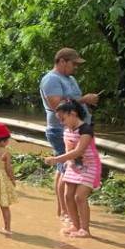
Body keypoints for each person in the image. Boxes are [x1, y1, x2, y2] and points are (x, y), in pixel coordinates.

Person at [39, 47, 99, 223]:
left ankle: (64, 210)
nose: (75, 67)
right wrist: (84, 99)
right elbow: (57, 105)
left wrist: (87, 103)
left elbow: (74, 102)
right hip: (61, 129)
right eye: (73, 63)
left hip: (77, 129)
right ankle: (66, 211)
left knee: (65, 168)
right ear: (62, 61)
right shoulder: (51, 79)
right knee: (67, 168)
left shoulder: (70, 79)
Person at [44, 100, 102, 238]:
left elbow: (78, 151)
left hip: (89, 166)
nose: (61, 123)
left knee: (79, 197)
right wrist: (67, 162)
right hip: (73, 165)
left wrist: (57, 160)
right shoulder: (67, 131)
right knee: (67, 196)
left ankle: (85, 229)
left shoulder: (86, 130)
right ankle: (75, 225)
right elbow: (68, 149)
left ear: (73, 114)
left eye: (63, 119)